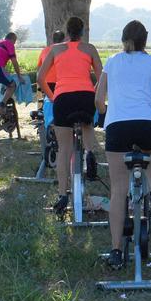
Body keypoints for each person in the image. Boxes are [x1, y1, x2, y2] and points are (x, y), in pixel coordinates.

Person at [95, 20, 151, 269]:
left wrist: (105, 114)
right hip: (147, 125)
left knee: (117, 190)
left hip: (117, 127)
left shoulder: (113, 61)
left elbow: (98, 99)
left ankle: (116, 250)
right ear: (145, 40)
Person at [38, 16, 103, 216]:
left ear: (66, 31)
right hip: (85, 96)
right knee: (88, 126)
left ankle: (62, 195)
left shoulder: (56, 49)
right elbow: (102, 78)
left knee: (64, 149)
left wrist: (53, 97)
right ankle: (90, 153)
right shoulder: (90, 49)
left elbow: (40, 78)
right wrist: (92, 92)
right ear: (82, 32)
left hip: (63, 98)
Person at [36, 30, 66, 100]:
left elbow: (39, 68)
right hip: (59, 83)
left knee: (47, 103)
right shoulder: (64, 51)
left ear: (52, 39)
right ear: (64, 40)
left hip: (45, 83)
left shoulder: (44, 50)